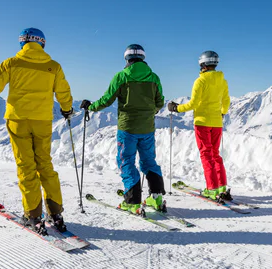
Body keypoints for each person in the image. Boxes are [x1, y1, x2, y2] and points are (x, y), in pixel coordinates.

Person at [0, 28, 74, 234]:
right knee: (45, 164)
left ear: (22, 43)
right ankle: (55, 213)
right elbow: (63, 92)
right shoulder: (53, 66)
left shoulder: (12, 63)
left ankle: (33, 215)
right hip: (43, 120)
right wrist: (67, 109)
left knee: (26, 166)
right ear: (42, 43)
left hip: (18, 120)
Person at [80, 44, 166, 214]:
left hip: (127, 128)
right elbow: (159, 102)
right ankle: (157, 198)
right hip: (147, 128)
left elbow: (106, 100)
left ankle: (133, 200)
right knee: (149, 161)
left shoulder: (121, 77)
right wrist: (149, 112)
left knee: (126, 160)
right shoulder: (154, 77)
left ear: (127, 58)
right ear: (143, 58)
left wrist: (91, 107)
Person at [168, 50, 231, 201]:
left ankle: (212, 188)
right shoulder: (223, 80)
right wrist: (221, 113)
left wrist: (177, 108)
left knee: (206, 155)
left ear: (202, 63)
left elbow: (193, 104)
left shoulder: (200, 81)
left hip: (202, 123)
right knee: (215, 154)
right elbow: (226, 102)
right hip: (217, 123)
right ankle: (222, 186)